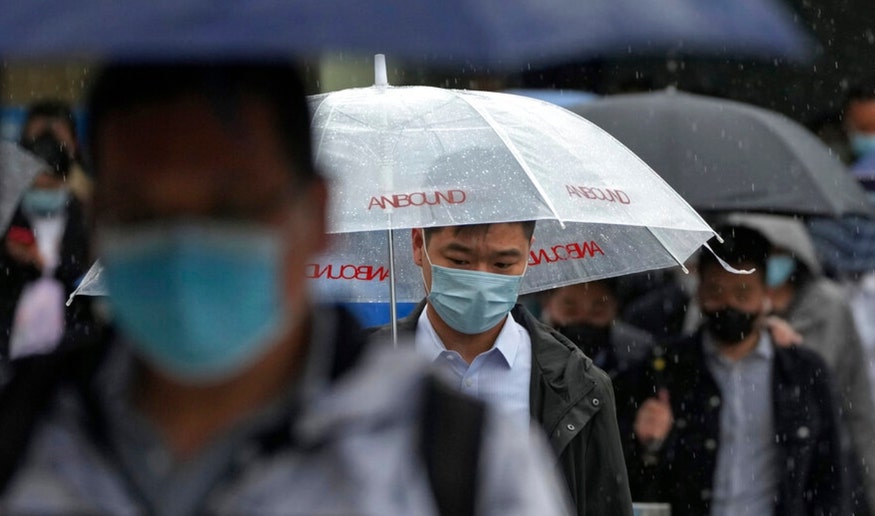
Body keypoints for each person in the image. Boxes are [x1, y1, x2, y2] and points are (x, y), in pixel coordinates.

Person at [0, 62, 572, 515]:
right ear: (98, 221)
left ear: (315, 212)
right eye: (143, 213)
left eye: (230, 210)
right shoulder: (26, 444)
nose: (186, 249)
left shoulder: (456, 459)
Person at [374, 222, 633, 516]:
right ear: (419, 244)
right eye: (459, 261)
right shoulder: (359, 374)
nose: (480, 279)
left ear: (528, 255)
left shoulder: (579, 385)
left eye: (502, 263)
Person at [614, 225, 847, 516]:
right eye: (716, 292)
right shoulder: (664, 367)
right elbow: (627, 474)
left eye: (743, 293)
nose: (729, 305)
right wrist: (646, 442)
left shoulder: (803, 371)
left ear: (766, 295)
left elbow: (830, 473)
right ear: (698, 292)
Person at [729, 213, 875, 516]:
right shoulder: (720, 305)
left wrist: (872, 487)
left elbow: (858, 406)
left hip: (812, 470)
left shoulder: (829, 307)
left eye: (779, 255)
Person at [0, 131, 92, 358]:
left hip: (70, 341)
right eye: (35, 188)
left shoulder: (85, 219)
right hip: (12, 337)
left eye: (48, 188)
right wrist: (11, 254)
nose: (42, 195)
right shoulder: (9, 217)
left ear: (64, 181)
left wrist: (63, 262)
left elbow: (92, 279)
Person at [540, 279, 655, 378]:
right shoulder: (528, 353)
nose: (583, 318)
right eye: (570, 309)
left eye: (597, 311)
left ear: (614, 308)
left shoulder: (639, 355)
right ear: (548, 304)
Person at [19, 99, 93, 204]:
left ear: (75, 145)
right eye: (38, 142)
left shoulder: (95, 198)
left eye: (57, 144)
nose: (48, 150)